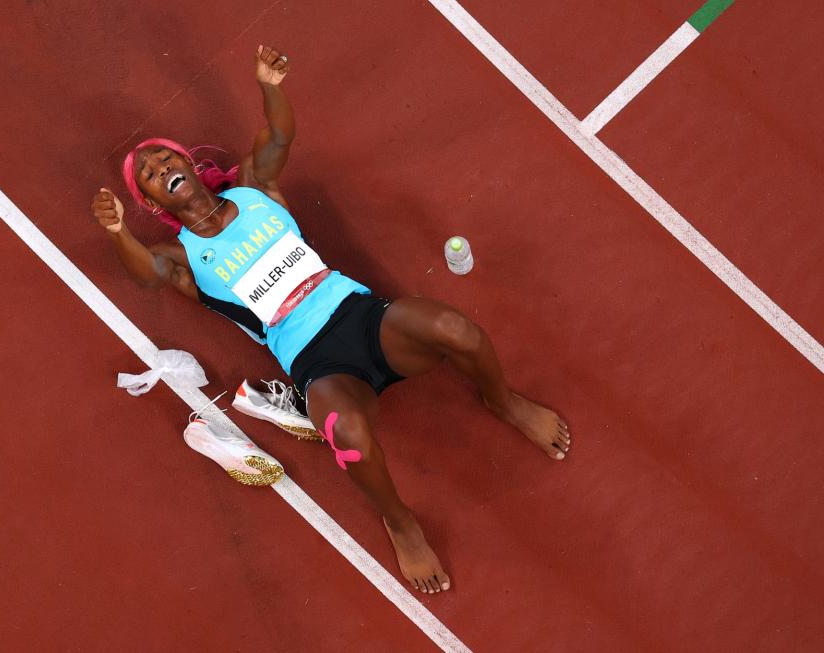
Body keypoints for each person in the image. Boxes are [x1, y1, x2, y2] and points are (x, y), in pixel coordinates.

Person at [91, 45, 571, 595]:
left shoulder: (254, 191)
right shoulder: (185, 260)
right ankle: (400, 520)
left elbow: (277, 138)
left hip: (362, 316)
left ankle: (502, 400)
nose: (160, 169)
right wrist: (117, 235)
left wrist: (270, 86)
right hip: (315, 360)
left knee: (455, 329)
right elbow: (148, 273)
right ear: (152, 202)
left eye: (163, 158)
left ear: (188, 163)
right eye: (148, 175)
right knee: (346, 436)